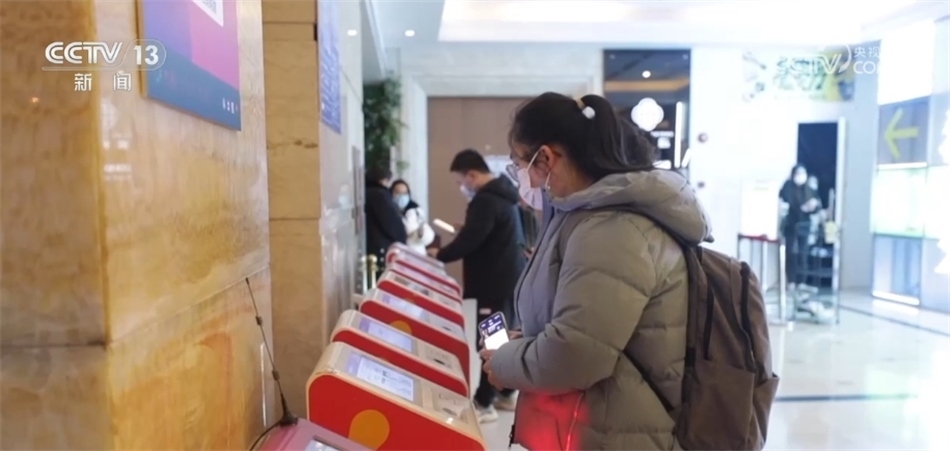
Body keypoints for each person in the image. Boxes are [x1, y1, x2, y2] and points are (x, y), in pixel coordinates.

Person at [483, 92, 712, 450]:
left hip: (616, 436)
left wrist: (505, 362)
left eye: (519, 164)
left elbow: (576, 356)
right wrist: (526, 342)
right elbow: (581, 326)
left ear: (547, 157)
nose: (520, 179)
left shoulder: (614, 231)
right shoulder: (583, 217)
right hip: (596, 427)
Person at [433, 148, 526, 423]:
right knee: (499, 336)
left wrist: (440, 254)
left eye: (461, 180)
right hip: (506, 281)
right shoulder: (503, 195)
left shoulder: (485, 201)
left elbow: (470, 240)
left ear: (472, 175)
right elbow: (484, 233)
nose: (462, 186)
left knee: (490, 341)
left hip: (492, 284)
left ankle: (485, 402)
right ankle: (506, 392)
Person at [364, 166, 407, 274]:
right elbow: (392, 224)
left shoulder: (365, 192)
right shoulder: (380, 195)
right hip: (382, 251)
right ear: (384, 180)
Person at [390, 180, 435, 255]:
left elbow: (426, 233)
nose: (401, 196)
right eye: (398, 193)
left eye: (405, 193)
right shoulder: (389, 212)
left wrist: (421, 234)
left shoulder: (416, 211)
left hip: (416, 254)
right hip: (396, 253)